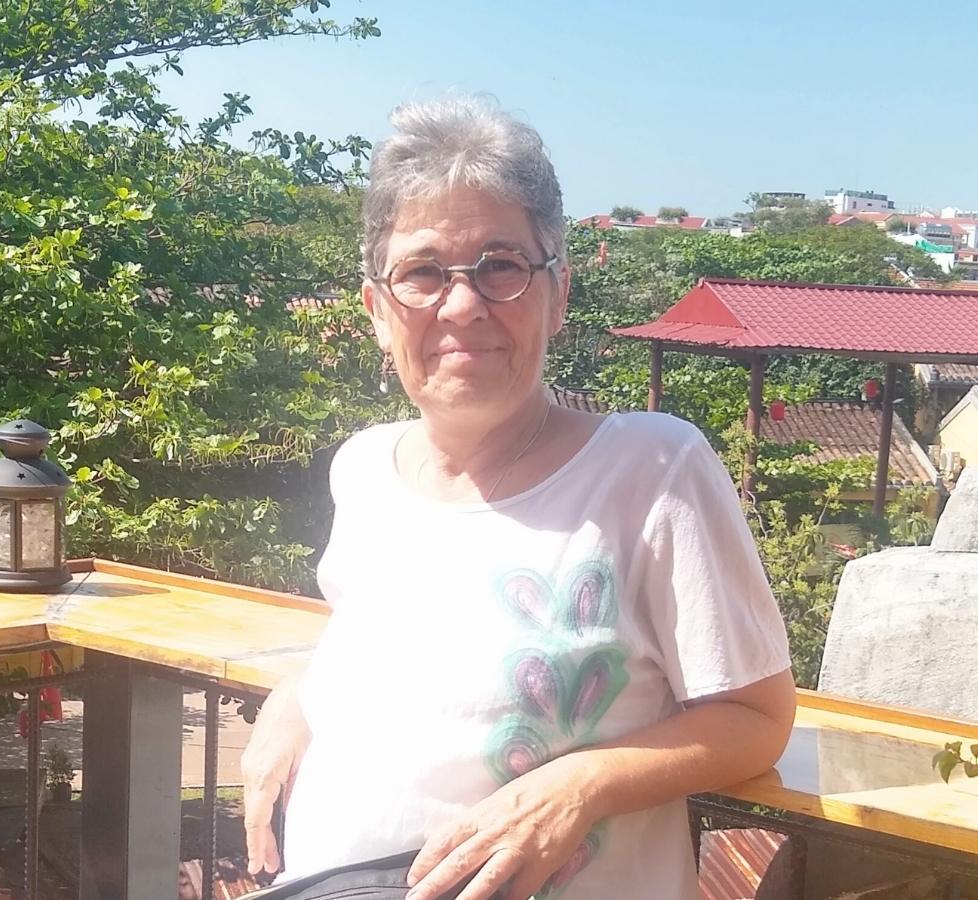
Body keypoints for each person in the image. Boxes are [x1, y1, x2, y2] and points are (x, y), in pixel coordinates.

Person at [239, 97, 796, 900]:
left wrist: (581, 786)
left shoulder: (651, 472)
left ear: (557, 292)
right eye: (423, 273)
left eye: (501, 266)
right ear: (377, 311)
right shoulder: (363, 469)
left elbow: (756, 718)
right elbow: (384, 642)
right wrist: (302, 696)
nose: (462, 305)